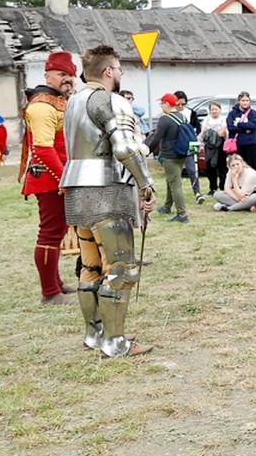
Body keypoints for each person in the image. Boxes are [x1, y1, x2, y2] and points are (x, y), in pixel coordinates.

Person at [60, 45, 156, 356]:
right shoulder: (110, 100)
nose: (119, 75)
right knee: (120, 268)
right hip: (106, 189)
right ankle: (115, 342)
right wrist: (146, 183)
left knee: (90, 266)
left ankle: (96, 333)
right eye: (119, 70)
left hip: (78, 189)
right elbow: (125, 148)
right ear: (108, 71)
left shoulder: (73, 102)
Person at [20, 51, 78, 304]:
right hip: (50, 178)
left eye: (71, 75)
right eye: (61, 74)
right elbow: (43, 149)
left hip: (58, 176)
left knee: (57, 232)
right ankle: (50, 293)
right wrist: (65, 180)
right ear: (47, 76)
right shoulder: (42, 106)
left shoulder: (58, 101)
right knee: (50, 234)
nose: (67, 79)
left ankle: (56, 284)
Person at [144, 93, 190, 223]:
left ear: (167, 104)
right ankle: (167, 206)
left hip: (169, 155)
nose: (161, 106)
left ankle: (182, 214)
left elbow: (156, 138)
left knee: (175, 183)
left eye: (162, 103)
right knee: (171, 180)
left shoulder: (165, 119)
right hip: (181, 153)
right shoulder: (182, 116)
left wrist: (147, 151)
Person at [173, 91, 205, 204]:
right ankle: (174, 195)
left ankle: (197, 193)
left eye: (183, 104)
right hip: (175, 145)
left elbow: (198, 127)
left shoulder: (190, 113)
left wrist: (196, 138)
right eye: (178, 104)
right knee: (175, 172)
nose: (181, 106)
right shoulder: (171, 114)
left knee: (192, 169)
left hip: (188, 145)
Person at [199, 101, 228, 195]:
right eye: (212, 109)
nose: (214, 111)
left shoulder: (223, 119)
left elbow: (222, 132)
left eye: (216, 109)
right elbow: (203, 131)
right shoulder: (206, 119)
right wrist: (202, 135)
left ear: (219, 110)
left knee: (222, 167)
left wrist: (210, 133)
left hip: (220, 146)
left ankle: (223, 187)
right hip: (209, 146)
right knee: (210, 167)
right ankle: (213, 188)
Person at [226, 92, 256, 169]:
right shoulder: (232, 114)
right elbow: (231, 127)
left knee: (251, 167)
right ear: (239, 101)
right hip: (237, 144)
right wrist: (245, 130)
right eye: (243, 100)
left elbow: (254, 125)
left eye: (247, 100)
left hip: (250, 144)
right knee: (238, 167)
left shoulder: (252, 113)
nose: (245, 102)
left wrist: (239, 124)